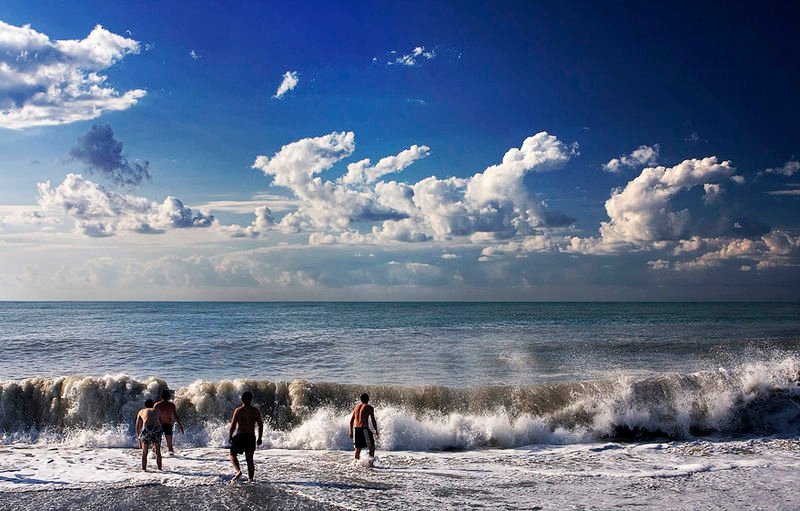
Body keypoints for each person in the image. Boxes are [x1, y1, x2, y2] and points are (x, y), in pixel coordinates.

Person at [228, 391, 264, 483]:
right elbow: (260, 425)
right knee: (250, 460)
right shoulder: (255, 411)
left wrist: (230, 436)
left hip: (240, 436)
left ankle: (238, 471)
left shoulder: (239, 411)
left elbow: (233, 425)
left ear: (242, 399)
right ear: (251, 399)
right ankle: (250, 480)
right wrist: (260, 438)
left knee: (232, 455)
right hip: (250, 437)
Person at [349, 393, 379, 462]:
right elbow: (373, 420)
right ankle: (370, 465)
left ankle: (356, 465)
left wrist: (351, 432)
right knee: (371, 448)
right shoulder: (369, 407)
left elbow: (351, 421)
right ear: (368, 399)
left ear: (361, 400)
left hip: (356, 429)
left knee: (358, 449)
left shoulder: (356, 407)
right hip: (364, 429)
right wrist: (376, 431)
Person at [135, 399, 162, 471]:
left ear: (145, 406)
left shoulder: (141, 411)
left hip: (147, 428)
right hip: (157, 428)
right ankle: (160, 469)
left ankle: (144, 470)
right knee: (158, 450)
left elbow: (138, 426)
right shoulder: (157, 410)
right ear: (153, 405)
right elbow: (160, 421)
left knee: (145, 451)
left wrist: (139, 440)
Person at [154, 389, 184, 454]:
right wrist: (180, 425)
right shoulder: (171, 405)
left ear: (161, 396)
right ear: (168, 396)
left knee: (156, 445)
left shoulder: (157, 405)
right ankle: (172, 458)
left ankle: (153, 457)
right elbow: (176, 416)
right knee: (170, 445)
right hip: (168, 425)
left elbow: (153, 416)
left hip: (159, 425)